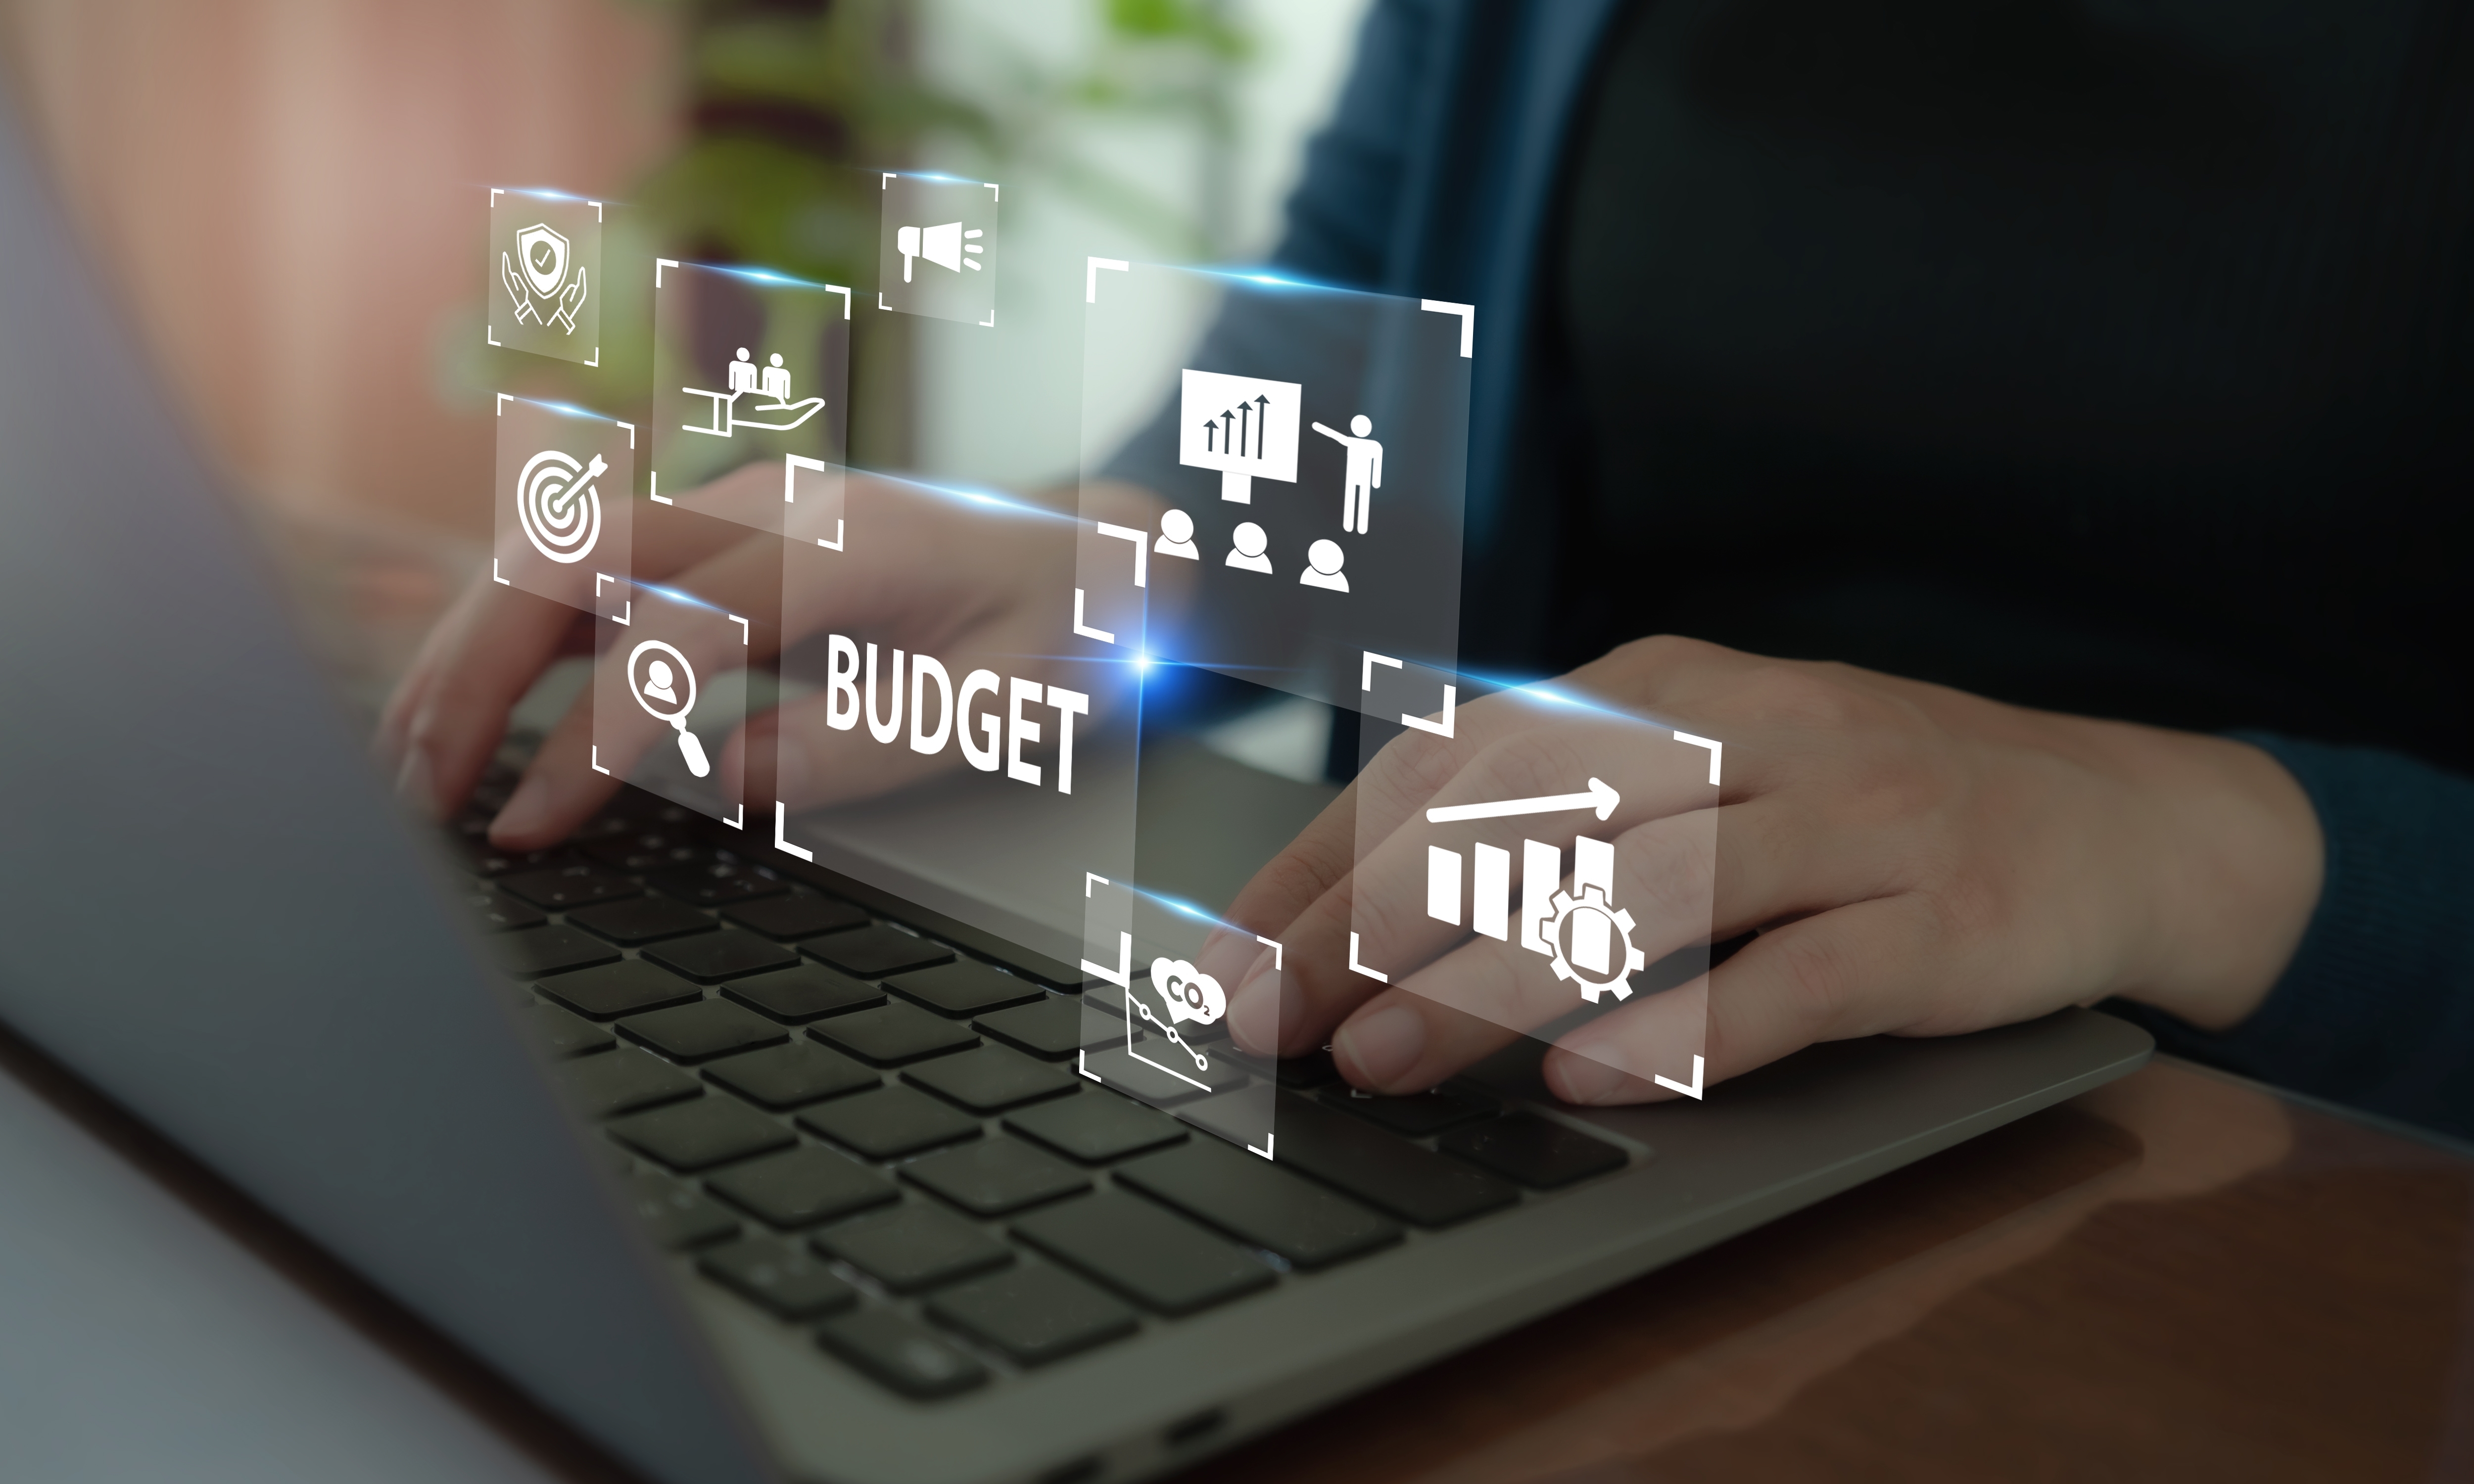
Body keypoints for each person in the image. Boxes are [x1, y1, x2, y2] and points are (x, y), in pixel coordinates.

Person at [382, 0, 2474, 1139]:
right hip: (1502, 1090)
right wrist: (1119, 561)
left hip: (2262, 1197)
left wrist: (2178, 842)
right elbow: (1353, 340)